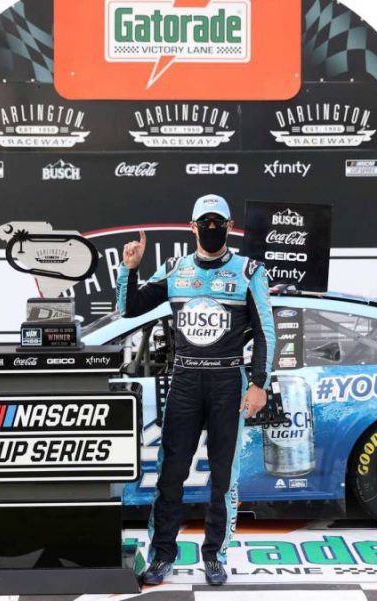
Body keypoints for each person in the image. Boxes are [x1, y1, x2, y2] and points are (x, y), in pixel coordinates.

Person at [117, 194, 276, 586]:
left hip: (229, 380)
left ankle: (215, 556)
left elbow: (266, 332)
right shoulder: (175, 269)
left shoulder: (249, 270)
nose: (211, 228)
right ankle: (162, 556)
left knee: (223, 478)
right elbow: (129, 309)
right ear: (192, 227)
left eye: (218, 222)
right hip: (185, 381)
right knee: (170, 474)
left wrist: (259, 383)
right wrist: (129, 269)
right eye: (205, 222)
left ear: (229, 226)